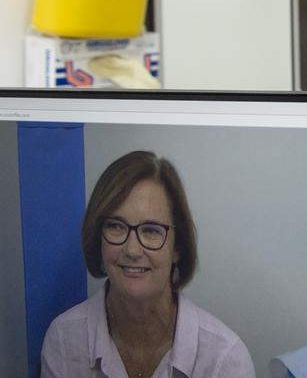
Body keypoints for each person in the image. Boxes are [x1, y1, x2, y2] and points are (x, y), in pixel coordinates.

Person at [41, 150, 254, 378]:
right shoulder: (64, 340)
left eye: (151, 230)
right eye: (116, 226)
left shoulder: (224, 360)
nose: (132, 250)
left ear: (177, 248)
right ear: (98, 236)